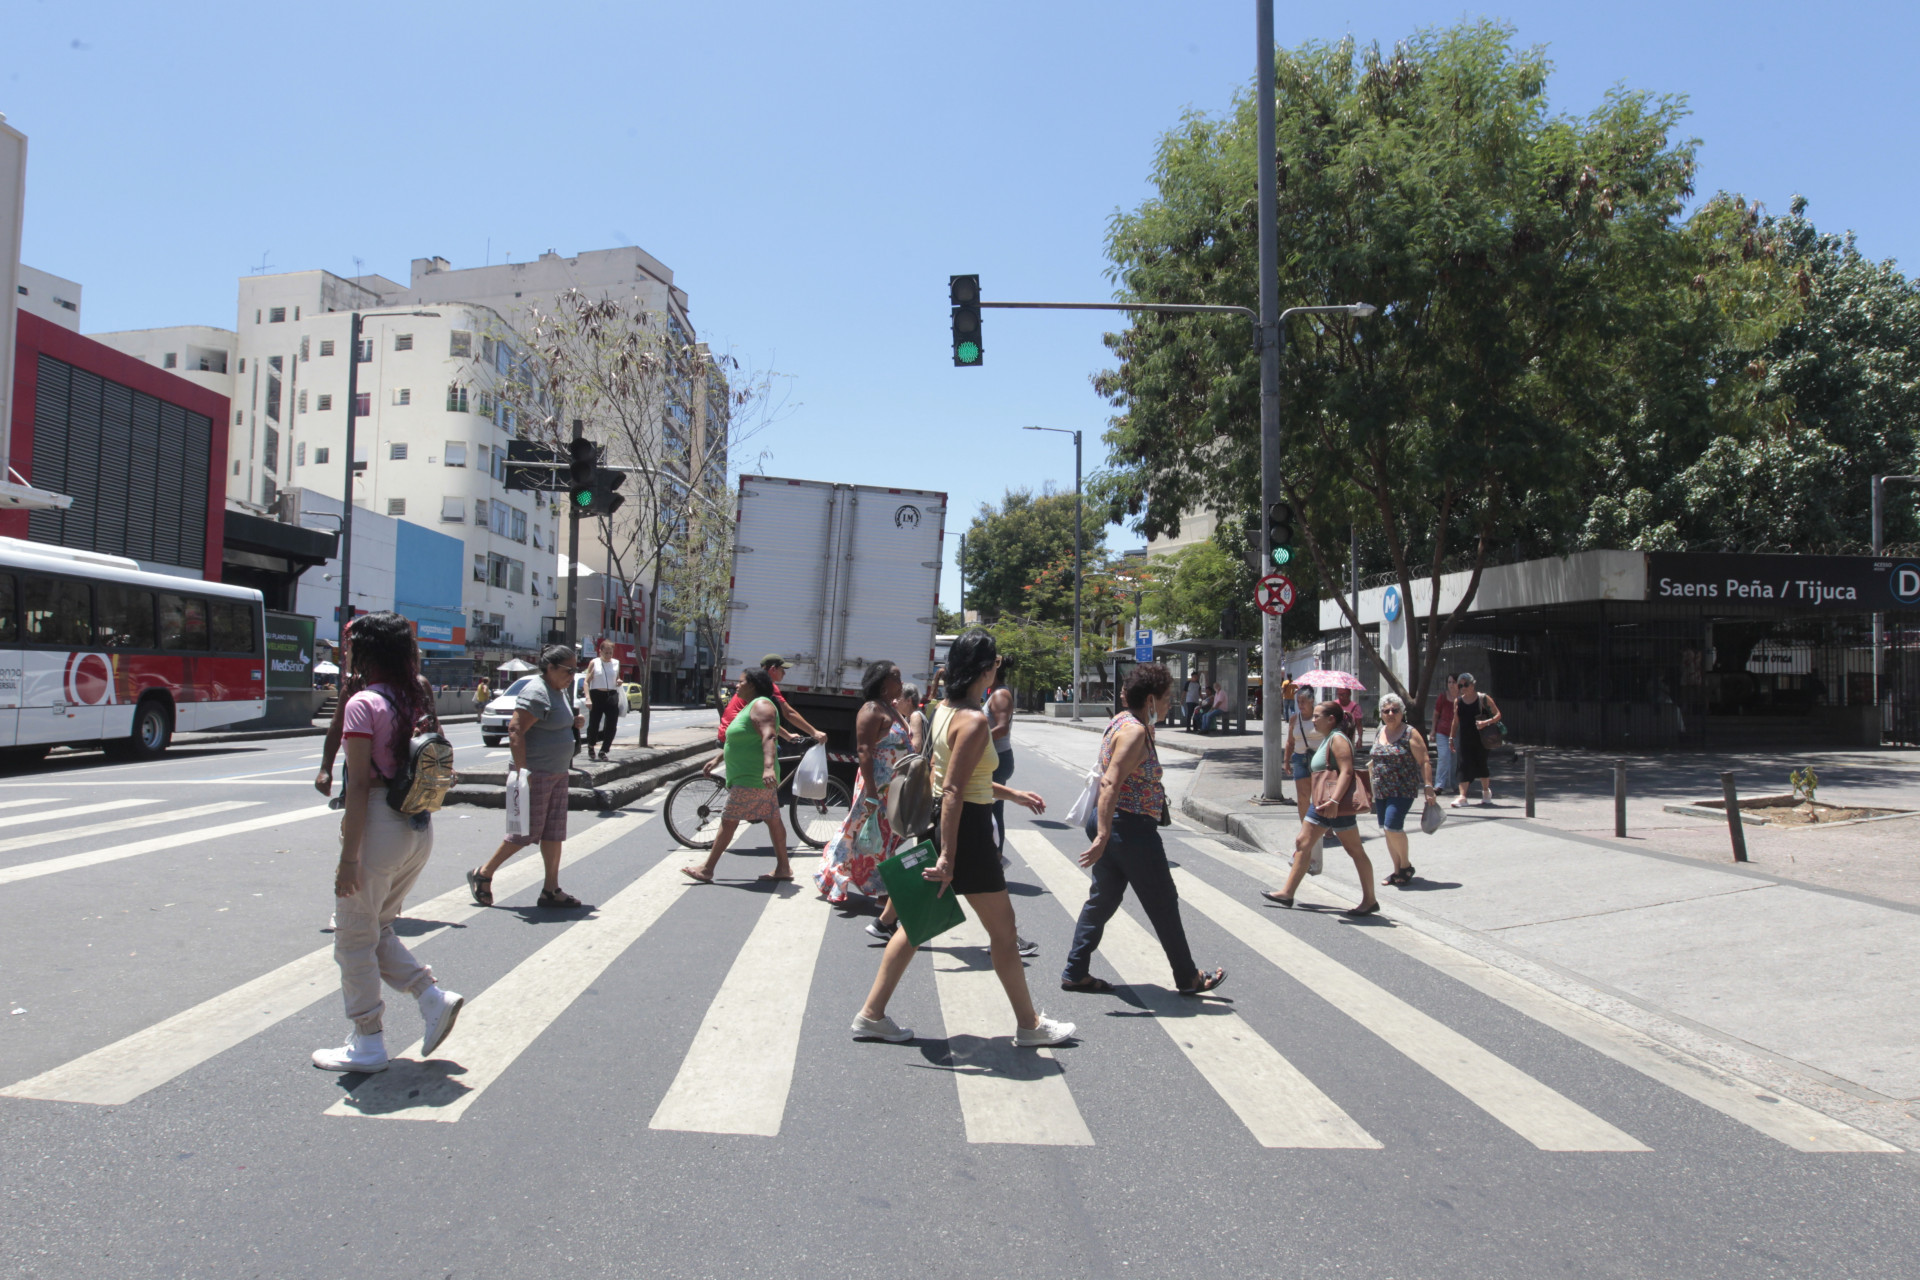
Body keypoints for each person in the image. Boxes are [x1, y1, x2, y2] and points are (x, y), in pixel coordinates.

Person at [850, 630, 1073, 1048]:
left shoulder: (942, 711)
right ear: (987, 670)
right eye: (995, 665)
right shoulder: (974, 719)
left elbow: (956, 778)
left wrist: (1012, 794)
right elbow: (954, 789)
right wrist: (950, 856)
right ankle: (1030, 1027)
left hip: (939, 824)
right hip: (964, 833)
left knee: (915, 926)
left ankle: (871, 1014)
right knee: (1004, 932)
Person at [311, 612, 463, 1072]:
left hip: (378, 826)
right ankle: (431, 997)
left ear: (368, 650)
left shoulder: (363, 704)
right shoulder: (416, 695)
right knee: (375, 929)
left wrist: (346, 861)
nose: (348, 652)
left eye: (352, 645)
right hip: (417, 827)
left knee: (352, 938)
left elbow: (358, 787)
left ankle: (367, 1041)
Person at [1062, 663, 1226, 997]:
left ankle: (1075, 971)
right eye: (1166, 698)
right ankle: (1188, 977)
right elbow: (1110, 782)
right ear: (1150, 700)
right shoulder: (1135, 730)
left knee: (1103, 899)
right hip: (1129, 826)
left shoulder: (1124, 721)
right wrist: (1104, 836)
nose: (1171, 704)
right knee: (1163, 902)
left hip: (1119, 822)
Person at [466, 645, 592, 912]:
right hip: (537, 773)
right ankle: (484, 873)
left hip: (556, 772)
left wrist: (574, 723)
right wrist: (523, 772)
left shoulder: (557, 690)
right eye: (569, 670)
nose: (573, 674)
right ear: (551, 668)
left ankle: (551, 889)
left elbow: (551, 723)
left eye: (576, 669)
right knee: (525, 832)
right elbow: (515, 729)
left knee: (553, 832)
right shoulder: (537, 690)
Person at [1260, 701, 1381, 917]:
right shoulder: (1328, 738)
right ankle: (1287, 893)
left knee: (1354, 850)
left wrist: (1334, 801)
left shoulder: (1338, 739)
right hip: (1321, 804)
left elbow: (1346, 772)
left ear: (1331, 719)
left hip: (1335, 805)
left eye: (1317, 716)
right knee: (1302, 842)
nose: (1313, 720)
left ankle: (1370, 900)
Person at [816, 660, 911, 927]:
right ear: (882, 682)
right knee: (862, 833)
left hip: (893, 787)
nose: (901, 683)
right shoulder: (871, 709)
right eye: (897, 677)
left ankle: (877, 887)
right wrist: (870, 791)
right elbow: (864, 751)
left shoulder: (891, 708)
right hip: (876, 786)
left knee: (886, 836)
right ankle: (866, 886)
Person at [682, 665, 793, 883]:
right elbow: (739, 740)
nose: (737, 685)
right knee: (773, 819)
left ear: (752, 685)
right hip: (752, 777)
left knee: (729, 819)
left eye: (741, 682)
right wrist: (717, 759)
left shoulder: (762, 705)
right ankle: (783, 867)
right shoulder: (750, 706)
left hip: (752, 777)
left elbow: (769, 736)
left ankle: (707, 868)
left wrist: (768, 767)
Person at [1371, 693, 1435, 886]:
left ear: (1402, 712)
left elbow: (1424, 761)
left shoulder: (1409, 733)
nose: (1390, 713)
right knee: (1387, 830)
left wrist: (1429, 787)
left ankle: (1406, 865)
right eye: (1386, 710)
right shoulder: (1379, 731)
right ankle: (1397, 870)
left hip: (1402, 788)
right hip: (1381, 789)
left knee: (1393, 826)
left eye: (1395, 710)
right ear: (1381, 714)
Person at [718, 654, 827, 746]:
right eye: (782, 669)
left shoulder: (760, 683)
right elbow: (789, 713)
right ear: (773, 669)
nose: (784, 673)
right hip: (736, 735)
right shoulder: (766, 686)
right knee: (772, 752)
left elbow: (767, 721)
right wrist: (814, 732)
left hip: (732, 732)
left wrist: (787, 736)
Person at [1450, 673, 1502, 807]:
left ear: (1473, 684)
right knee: (1463, 765)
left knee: (1481, 764)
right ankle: (1462, 796)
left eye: (1466, 685)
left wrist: (1486, 722)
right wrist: (1451, 737)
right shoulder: (1458, 701)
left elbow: (1498, 715)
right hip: (1464, 737)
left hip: (1481, 738)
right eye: (1460, 685)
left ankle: (1485, 792)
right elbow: (1455, 721)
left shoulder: (1483, 698)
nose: (1463, 688)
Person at [1284, 686, 1321, 821]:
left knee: (1320, 796)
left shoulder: (1320, 717)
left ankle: (1325, 827)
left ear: (1312, 701)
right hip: (1300, 760)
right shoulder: (1294, 719)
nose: (1300, 705)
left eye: (1303, 701)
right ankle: (1306, 828)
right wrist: (1286, 761)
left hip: (1319, 760)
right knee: (1303, 797)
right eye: (1298, 702)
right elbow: (1290, 742)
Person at [584, 640, 623, 762]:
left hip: (611, 694)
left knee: (611, 724)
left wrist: (619, 681)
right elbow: (586, 681)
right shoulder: (594, 663)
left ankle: (604, 750)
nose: (608, 656)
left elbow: (616, 678)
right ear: (600, 651)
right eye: (606, 653)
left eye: (610, 653)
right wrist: (588, 698)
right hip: (597, 694)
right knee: (594, 723)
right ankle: (591, 745)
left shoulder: (616, 663)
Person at [1432, 675, 1459, 796]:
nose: (1451, 684)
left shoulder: (1462, 698)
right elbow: (1436, 714)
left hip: (1457, 733)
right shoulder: (1443, 697)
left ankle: (1455, 784)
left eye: (1454, 682)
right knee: (1444, 757)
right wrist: (1432, 730)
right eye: (1449, 682)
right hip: (1442, 732)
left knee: (1455, 760)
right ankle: (1439, 785)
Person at [896, 681, 928, 754]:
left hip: (919, 764)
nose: (895, 701)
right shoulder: (907, 718)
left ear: (909, 700)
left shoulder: (915, 716)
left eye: (898, 699)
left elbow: (916, 746)